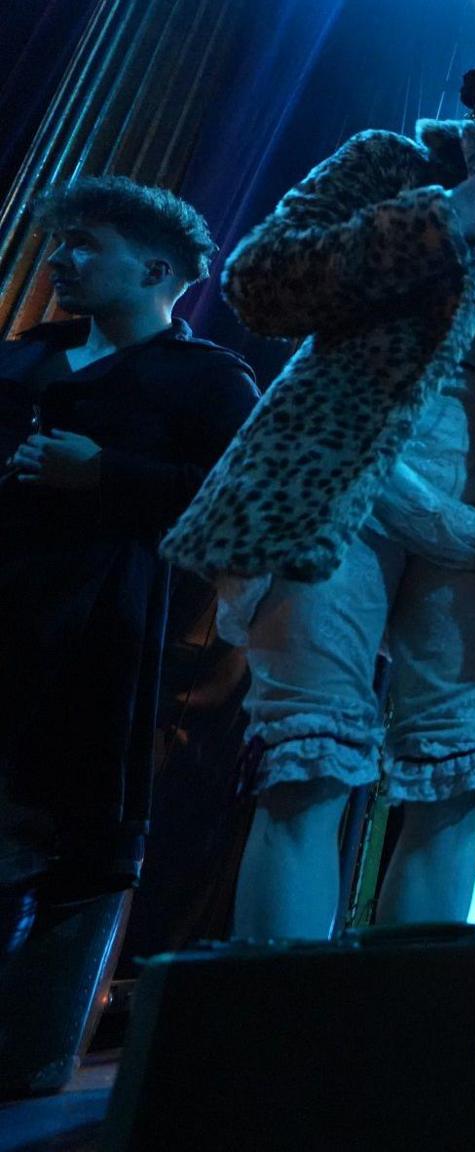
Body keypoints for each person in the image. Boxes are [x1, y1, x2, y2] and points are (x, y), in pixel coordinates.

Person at [160, 51, 475, 945]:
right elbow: (260, 280)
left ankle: (389, 1042)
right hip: (342, 487)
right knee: (310, 760)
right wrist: (438, 220)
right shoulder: (396, 165)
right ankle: (280, 1048)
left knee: (452, 784)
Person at [0, 177, 257, 965]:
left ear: (155, 272)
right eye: (61, 239)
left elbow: (242, 505)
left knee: (56, 834)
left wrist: (106, 472)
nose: (61, 257)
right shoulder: (21, 360)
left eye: (87, 244)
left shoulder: (209, 378)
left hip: (104, 638)